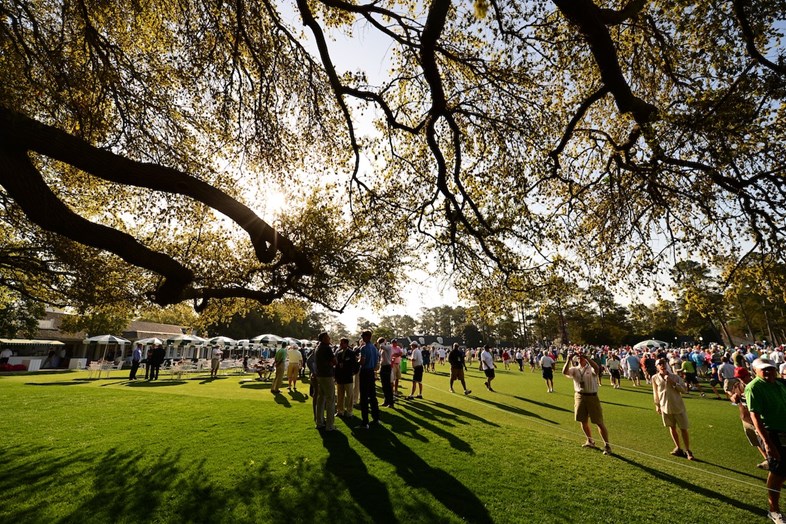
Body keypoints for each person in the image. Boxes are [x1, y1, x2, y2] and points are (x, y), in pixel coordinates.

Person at [745, 358, 786, 523]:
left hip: (784, 430)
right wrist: (767, 443)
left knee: (782, 470)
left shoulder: (779, 384)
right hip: (772, 433)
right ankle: (774, 510)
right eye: (764, 369)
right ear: (755, 371)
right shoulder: (754, 387)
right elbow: (755, 416)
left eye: (771, 368)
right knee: (778, 471)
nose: (768, 372)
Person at [562, 350, 612, 455]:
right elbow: (564, 372)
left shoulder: (590, 368)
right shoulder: (575, 369)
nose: (580, 358)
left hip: (592, 396)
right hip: (579, 396)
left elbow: (597, 368)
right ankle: (589, 440)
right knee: (582, 420)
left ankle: (607, 446)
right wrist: (568, 360)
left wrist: (588, 358)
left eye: (582, 356)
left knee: (598, 421)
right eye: (578, 357)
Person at [651, 358, 694, 460]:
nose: (662, 365)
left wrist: (673, 382)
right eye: (659, 364)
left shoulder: (675, 377)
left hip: (678, 406)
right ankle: (678, 447)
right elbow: (655, 392)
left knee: (683, 428)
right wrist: (657, 405)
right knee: (672, 427)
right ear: (656, 366)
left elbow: (684, 390)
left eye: (663, 363)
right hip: (665, 406)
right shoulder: (654, 378)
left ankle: (688, 450)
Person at [314, 332, 337, 431]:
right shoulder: (327, 348)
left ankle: (319, 422)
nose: (329, 338)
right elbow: (335, 361)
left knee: (321, 399)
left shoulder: (318, 348)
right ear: (323, 339)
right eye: (328, 337)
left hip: (320, 375)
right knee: (330, 399)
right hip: (327, 375)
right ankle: (329, 425)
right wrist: (332, 363)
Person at [358, 330, 380, 429]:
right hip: (371, 372)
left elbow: (362, 362)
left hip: (365, 372)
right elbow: (376, 363)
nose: (362, 338)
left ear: (367, 337)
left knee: (364, 398)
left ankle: (365, 422)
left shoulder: (364, 348)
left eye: (363, 336)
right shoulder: (374, 348)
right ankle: (376, 418)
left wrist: (357, 360)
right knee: (372, 396)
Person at [335, 337, 358, 418]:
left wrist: (353, 373)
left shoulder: (351, 353)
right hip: (340, 377)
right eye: (340, 343)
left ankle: (349, 411)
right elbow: (337, 366)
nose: (340, 344)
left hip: (348, 377)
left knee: (349, 395)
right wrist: (336, 376)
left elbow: (355, 365)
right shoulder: (339, 353)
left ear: (346, 344)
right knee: (340, 395)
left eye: (342, 343)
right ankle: (340, 411)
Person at [378, 337, 395, 407]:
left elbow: (382, 346)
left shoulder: (388, 347)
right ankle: (386, 401)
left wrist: (383, 342)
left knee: (387, 385)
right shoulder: (382, 348)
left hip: (387, 367)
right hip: (383, 367)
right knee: (384, 386)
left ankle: (391, 402)